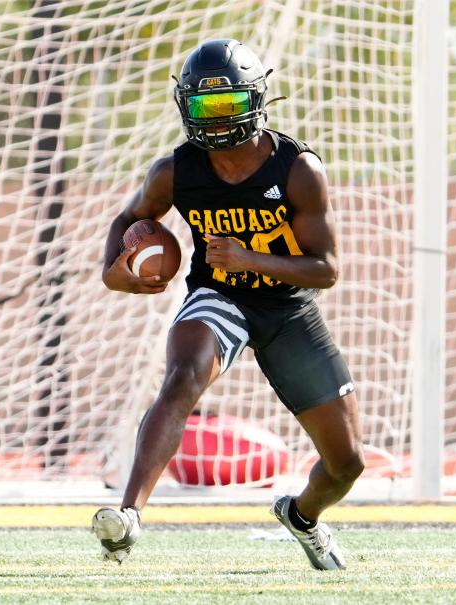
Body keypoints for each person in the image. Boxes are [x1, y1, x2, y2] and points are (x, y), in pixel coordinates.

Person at [91, 39, 364, 571]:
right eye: (202, 107)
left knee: (347, 463)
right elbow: (126, 220)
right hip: (220, 297)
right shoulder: (175, 170)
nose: (215, 121)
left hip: (289, 309)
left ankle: (303, 516)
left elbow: (326, 269)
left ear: (255, 100)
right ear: (184, 108)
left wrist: (249, 257)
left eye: (227, 105)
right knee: (182, 376)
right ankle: (127, 517)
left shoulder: (298, 169)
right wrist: (115, 272)